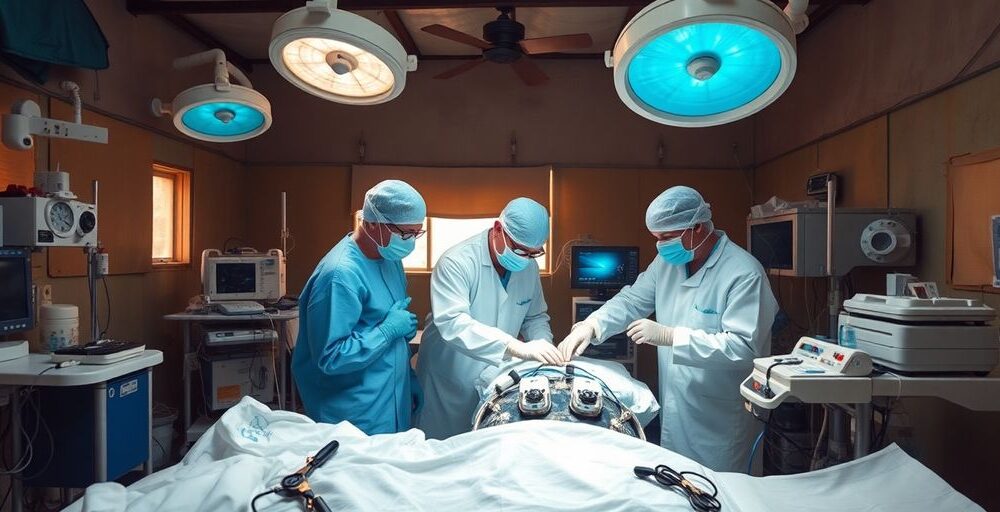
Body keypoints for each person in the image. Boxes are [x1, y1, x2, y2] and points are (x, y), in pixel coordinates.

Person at [558, 186, 778, 472]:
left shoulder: (743, 273)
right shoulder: (667, 263)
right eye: (657, 238)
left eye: (666, 237)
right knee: (678, 485)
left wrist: (671, 337)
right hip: (678, 408)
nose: (660, 246)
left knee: (723, 491)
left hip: (722, 417)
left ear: (697, 227)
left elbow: (744, 348)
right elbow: (632, 300)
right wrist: (592, 325)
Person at [416, 197, 561, 439]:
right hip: (450, 378)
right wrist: (514, 346)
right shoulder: (457, 262)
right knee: (443, 451)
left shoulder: (528, 267)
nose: (525, 258)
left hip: (497, 377)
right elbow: (453, 323)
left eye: (533, 253)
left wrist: (542, 345)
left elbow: (535, 316)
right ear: (497, 229)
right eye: (519, 250)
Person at [292, 179, 426, 435]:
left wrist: (408, 378)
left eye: (417, 233)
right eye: (405, 233)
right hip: (354, 413)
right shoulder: (340, 276)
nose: (411, 242)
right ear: (372, 222)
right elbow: (330, 357)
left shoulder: (389, 258)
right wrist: (386, 332)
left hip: (391, 399)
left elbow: (383, 324)